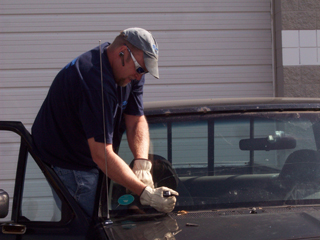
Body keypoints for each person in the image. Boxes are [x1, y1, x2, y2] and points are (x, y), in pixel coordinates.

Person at [32, 27, 178, 218]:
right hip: (71, 163)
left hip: (91, 153)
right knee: (91, 227)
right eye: (141, 69)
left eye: (146, 72)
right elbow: (101, 155)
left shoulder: (131, 72)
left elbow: (135, 119)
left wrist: (142, 163)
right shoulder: (93, 83)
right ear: (122, 53)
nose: (140, 76)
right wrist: (146, 193)